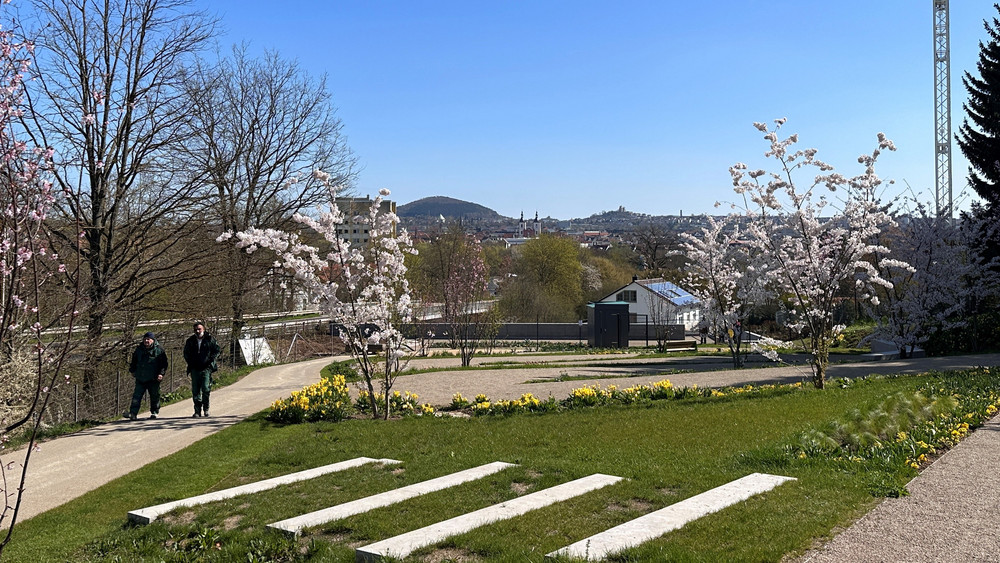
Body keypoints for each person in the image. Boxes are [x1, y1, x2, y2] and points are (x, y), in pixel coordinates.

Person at [183, 321, 220, 417]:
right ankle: (197, 411)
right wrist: (191, 363)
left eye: (199, 329)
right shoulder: (190, 341)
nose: (197, 331)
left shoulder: (209, 339)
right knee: (195, 391)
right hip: (195, 369)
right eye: (196, 329)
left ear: (203, 329)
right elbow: (186, 353)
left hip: (206, 368)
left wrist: (211, 361)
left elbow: (216, 350)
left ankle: (206, 409)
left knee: (206, 389)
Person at [127, 331, 168, 420]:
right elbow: (134, 361)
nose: (146, 341)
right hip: (140, 377)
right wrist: (132, 370)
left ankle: (154, 412)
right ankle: (133, 413)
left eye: (148, 339)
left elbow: (164, 364)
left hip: (153, 378)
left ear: (153, 340)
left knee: (154, 396)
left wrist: (161, 374)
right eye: (145, 339)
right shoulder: (139, 350)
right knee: (136, 396)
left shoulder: (159, 350)